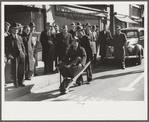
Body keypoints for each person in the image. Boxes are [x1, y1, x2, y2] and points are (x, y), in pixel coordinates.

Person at [5, 23, 26, 87]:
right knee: (15, 70)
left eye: (17, 29)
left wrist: (24, 53)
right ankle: (15, 83)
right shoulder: (7, 38)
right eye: (14, 29)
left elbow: (23, 46)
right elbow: (5, 48)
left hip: (21, 55)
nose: (16, 30)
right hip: (14, 56)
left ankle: (20, 82)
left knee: (21, 69)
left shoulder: (20, 37)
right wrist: (8, 54)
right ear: (11, 29)